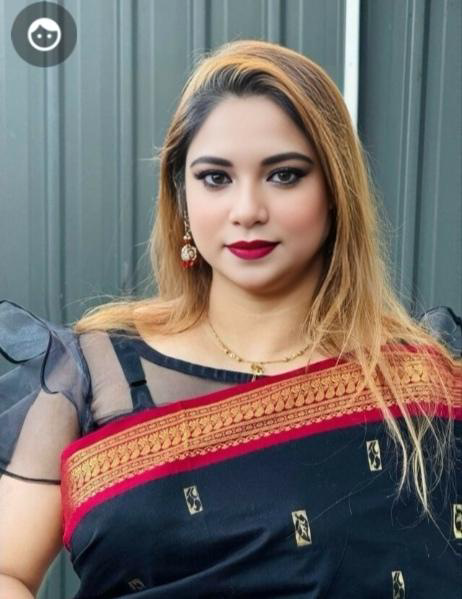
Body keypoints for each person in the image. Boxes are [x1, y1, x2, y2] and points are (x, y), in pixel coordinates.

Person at [0, 39, 461, 599]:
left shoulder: (420, 384)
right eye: (216, 178)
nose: (247, 211)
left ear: (335, 192)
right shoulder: (92, 374)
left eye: (284, 175)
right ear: (181, 196)